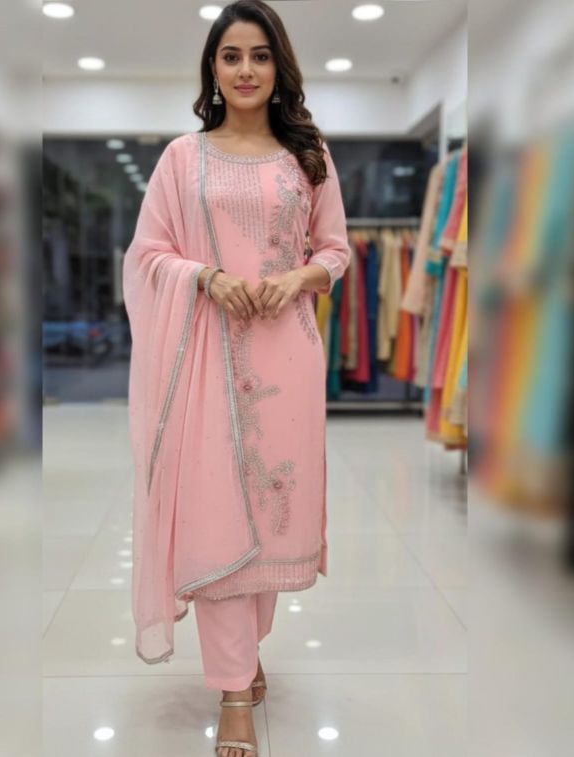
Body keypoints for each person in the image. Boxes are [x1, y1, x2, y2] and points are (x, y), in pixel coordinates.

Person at [122, 2, 349, 754]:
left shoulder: (307, 156)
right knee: (217, 519)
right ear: (212, 69)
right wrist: (206, 277)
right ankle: (232, 691)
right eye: (231, 56)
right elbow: (147, 254)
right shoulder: (182, 159)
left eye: (259, 55)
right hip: (204, 359)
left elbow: (336, 250)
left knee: (273, 519)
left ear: (279, 66)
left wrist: (297, 279)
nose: (246, 70)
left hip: (286, 356)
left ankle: (244, 655)